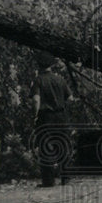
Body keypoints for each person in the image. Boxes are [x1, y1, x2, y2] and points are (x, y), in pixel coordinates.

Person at [32, 56, 74, 187]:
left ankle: (48, 181)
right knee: (63, 145)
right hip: (61, 116)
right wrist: (62, 106)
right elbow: (71, 98)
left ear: (39, 66)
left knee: (46, 147)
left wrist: (35, 115)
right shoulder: (60, 79)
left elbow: (36, 100)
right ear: (51, 65)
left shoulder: (38, 80)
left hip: (46, 117)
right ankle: (66, 178)